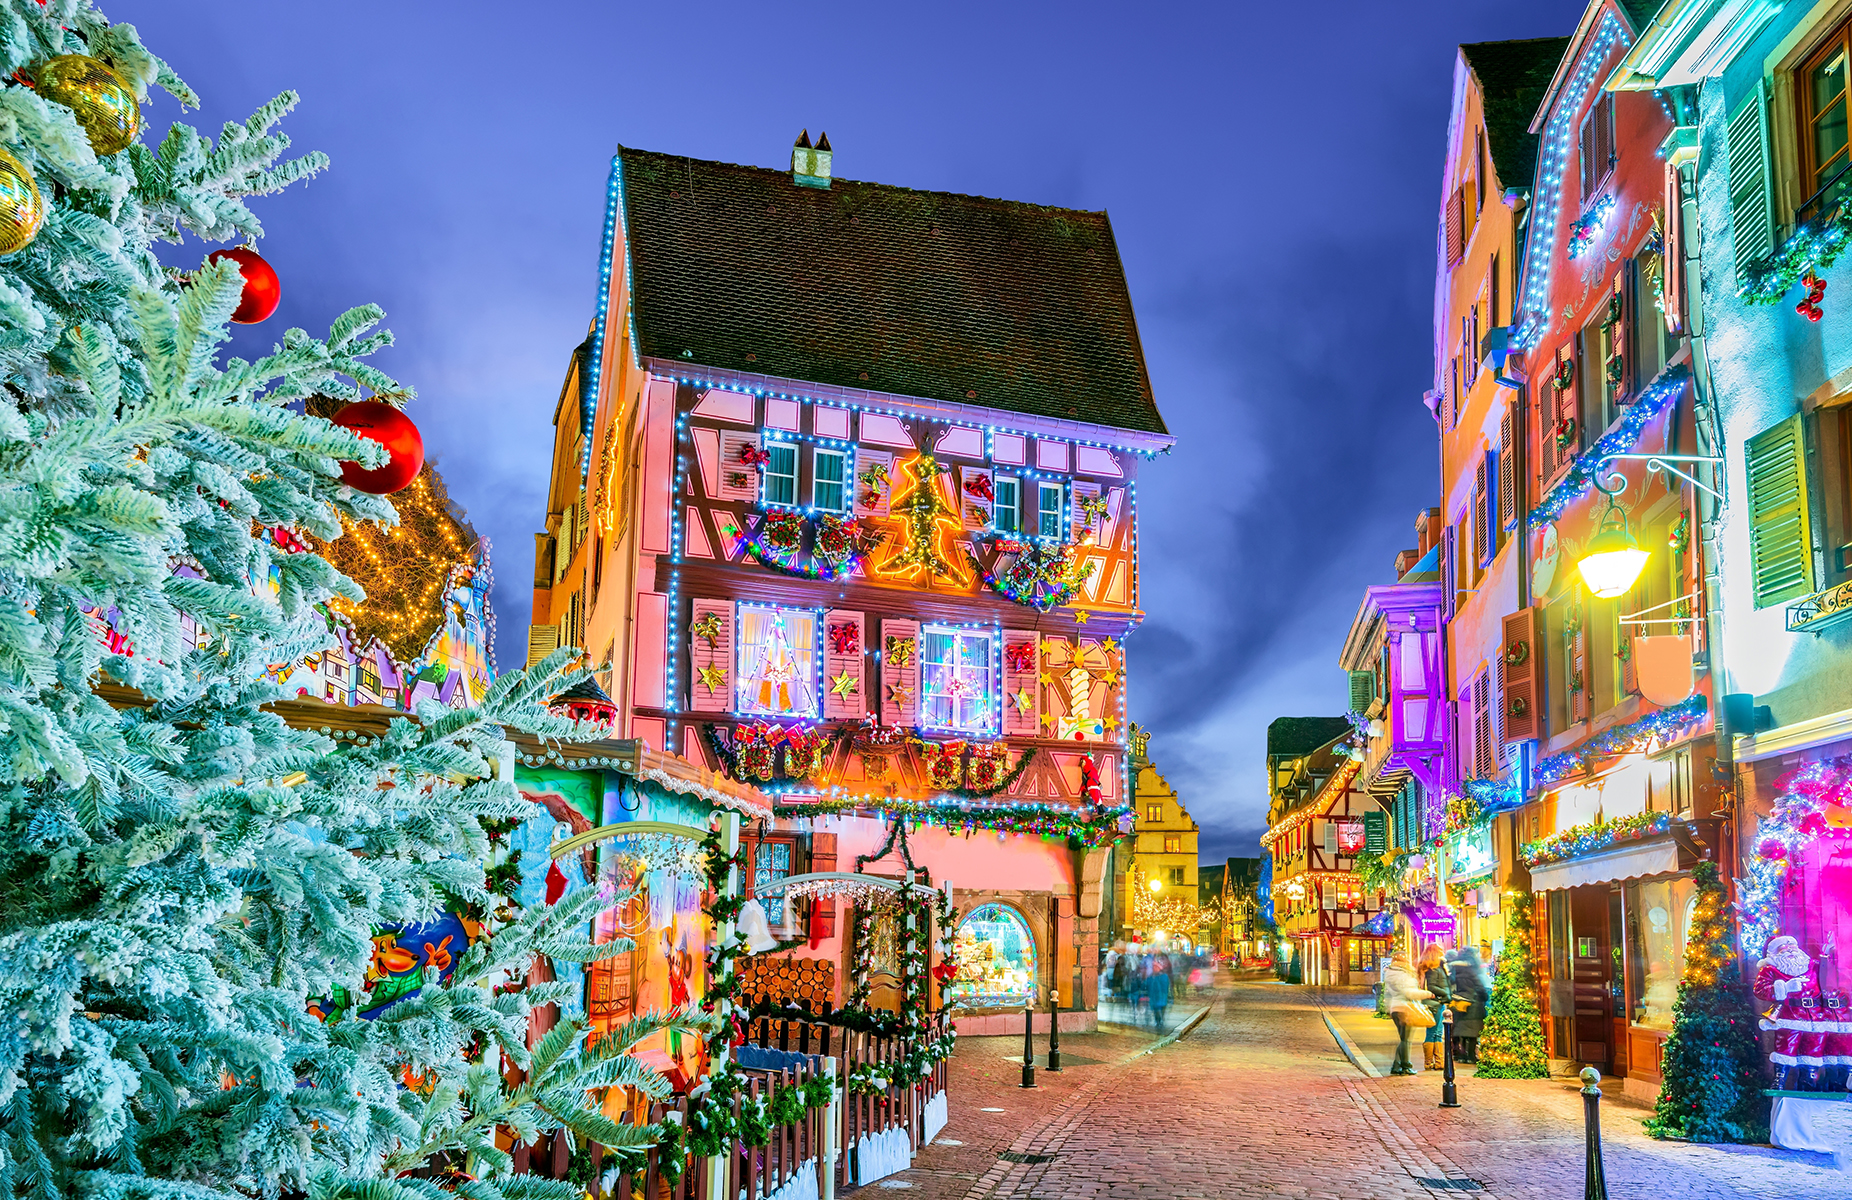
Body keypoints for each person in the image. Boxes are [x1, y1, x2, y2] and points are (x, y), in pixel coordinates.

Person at [1381, 950, 1429, 1075]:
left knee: (1403, 1039)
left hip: (1395, 1008)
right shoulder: (1403, 974)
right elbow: (1409, 992)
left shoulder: (1390, 972)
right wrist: (1427, 994)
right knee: (1406, 1040)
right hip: (1405, 1008)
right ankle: (1406, 1066)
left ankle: (1396, 1066)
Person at [1448, 947, 1490, 1064]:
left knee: (1461, 1030)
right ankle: (1470, 1055)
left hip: (1459, 1002)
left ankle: (1461, 1054)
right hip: (1473, 1002)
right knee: (1472, 1032)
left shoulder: (1455, 970)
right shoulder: (1472, 970)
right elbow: (1479, 986)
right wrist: (1484, 996)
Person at [1419, 944, 1454, 1071]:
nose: (1442, 953)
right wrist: (1446, 994)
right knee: (1433, 1032)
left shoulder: (1437, 967)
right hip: (1435, 1003)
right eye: (1440, 951)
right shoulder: (1433, 969)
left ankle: (1438, 1062)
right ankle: (1430, 1062)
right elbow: (1432, 986)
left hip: (1439, 1002)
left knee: (1437, 1032)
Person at [1148, 954, 1173, 1031]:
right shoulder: (1152, 977)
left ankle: (1160, 1021)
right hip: (1155, 997)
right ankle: (1158, 1022)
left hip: (1161, 996)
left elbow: (1166, 986)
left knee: (1160, 1009)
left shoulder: (1163, 976)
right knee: (1156, 1010)